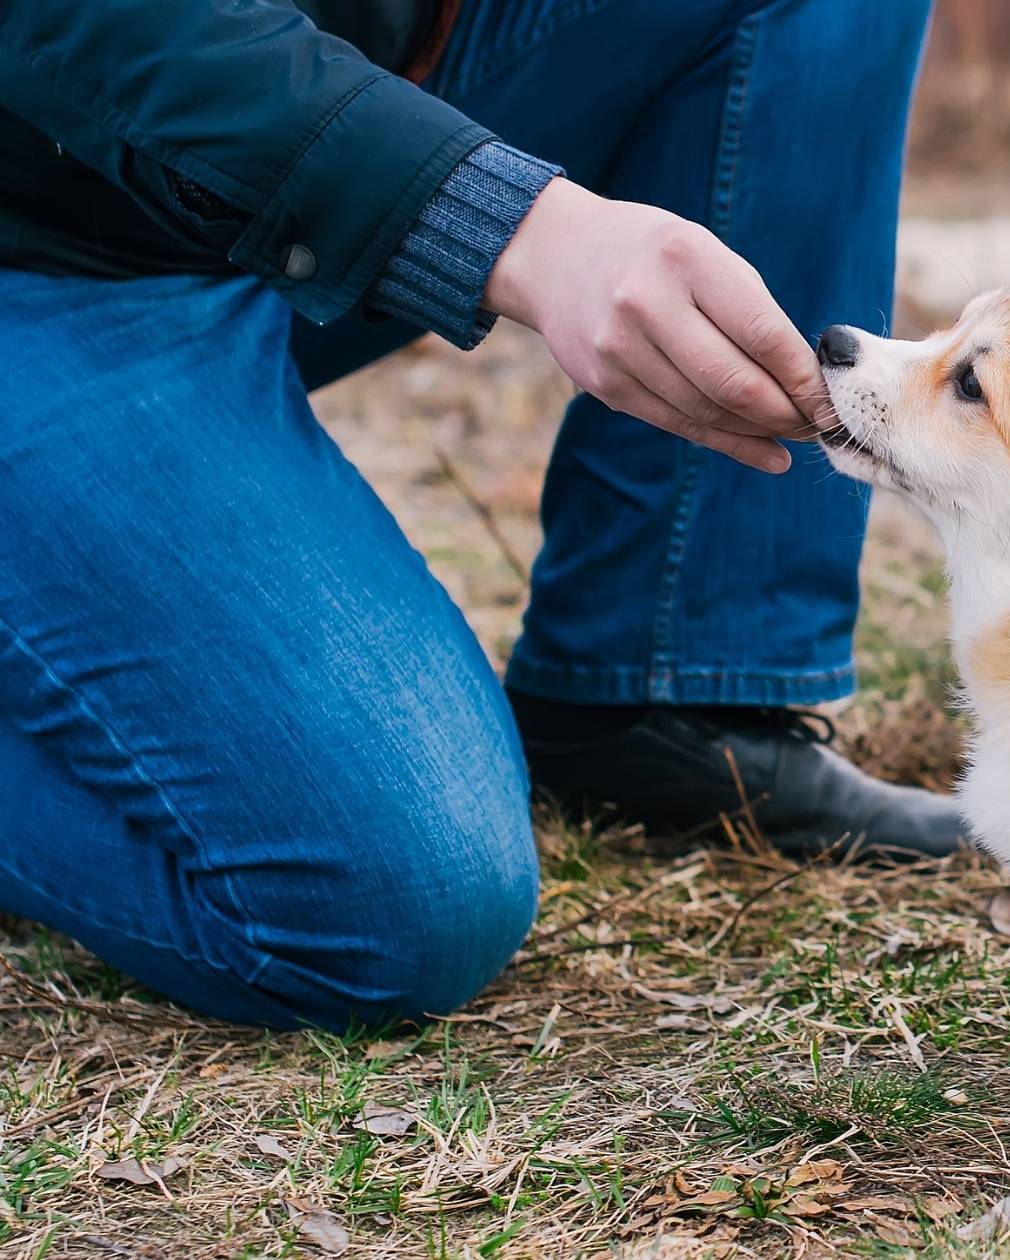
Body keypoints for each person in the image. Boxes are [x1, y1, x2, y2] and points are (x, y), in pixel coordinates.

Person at [0, 0, 957, 1032]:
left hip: (278, 139)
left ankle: (666, 692)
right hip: (48, 244)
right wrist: (511, 221)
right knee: (385, 909)